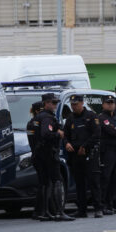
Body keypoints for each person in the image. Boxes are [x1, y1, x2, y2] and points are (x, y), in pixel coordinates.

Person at [34, 93, 75, 221]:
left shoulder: (37, 118)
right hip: (49, 154)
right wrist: (59, 134)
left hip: (39, 155)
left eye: (56, 103)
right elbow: (46, 133)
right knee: (57, 181)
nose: (55, 105)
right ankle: (59, 212)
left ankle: (44, 212)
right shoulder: (47, 118)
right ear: (46, 103)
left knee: (44, 183)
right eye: (53, 103)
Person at [63, 94, 103, 219]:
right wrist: (67, 143)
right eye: (72, 104)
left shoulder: (91, 116)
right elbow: (65, 134)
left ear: (82, 103)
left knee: (93, 182)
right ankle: (82, 210)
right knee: (79, 183)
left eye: (76, 104)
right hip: (75, 155)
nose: (74, 107)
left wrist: (84, 146)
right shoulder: (70, 118)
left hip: (89, 154)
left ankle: (98, 209)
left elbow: (96, 134)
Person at [99, 95, 116, 215]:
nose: (110, 105)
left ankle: (111, 204)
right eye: (108, 103)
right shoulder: (101, 117)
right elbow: (110, 132)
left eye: (112, 103)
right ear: (103, 104)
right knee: (106, 178)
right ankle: (103, 205)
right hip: (107, 151)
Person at [26, 101, 44, 220]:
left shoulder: (31, 123)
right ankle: (39, 210)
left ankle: (39, 210)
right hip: (39, 155)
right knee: (43, 184)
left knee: (43, 184)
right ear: (37, 111)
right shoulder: (35, 123)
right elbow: (36, 141)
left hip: (36, 155)